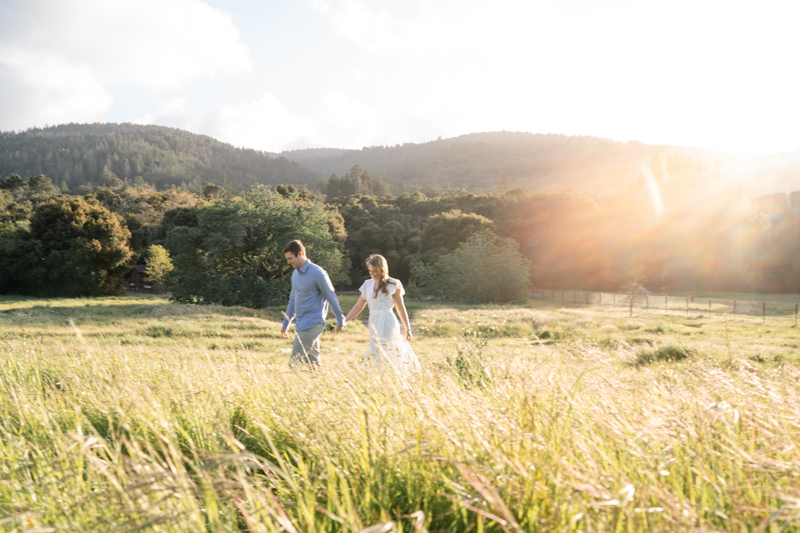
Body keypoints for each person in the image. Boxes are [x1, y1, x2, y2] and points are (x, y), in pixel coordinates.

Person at [344, 254, 421, 373]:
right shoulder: (367, 284)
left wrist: (407, 328)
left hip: (387, 319)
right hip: (373, 320)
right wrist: (345, 320)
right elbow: (359, 305)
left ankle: (392, 373)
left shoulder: (393, 284)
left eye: (375, 271)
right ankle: (378, 374)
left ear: (382, 269)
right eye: (370, 271)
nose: (372, 274)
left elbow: (400, 307)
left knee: (387, 347)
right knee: (375, 347)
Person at [281, 239, 345, 366]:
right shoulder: (295, 274)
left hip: (313, 322)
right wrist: (286, 323)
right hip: (300, 324)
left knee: (295, 360)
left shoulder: (318, 273)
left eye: (290, 258)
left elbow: (331, 297)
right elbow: (292, 301)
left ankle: (293, 385)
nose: (288, 262)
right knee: (313, 362)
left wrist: (340, 320)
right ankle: (317, 382)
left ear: (300, 254)